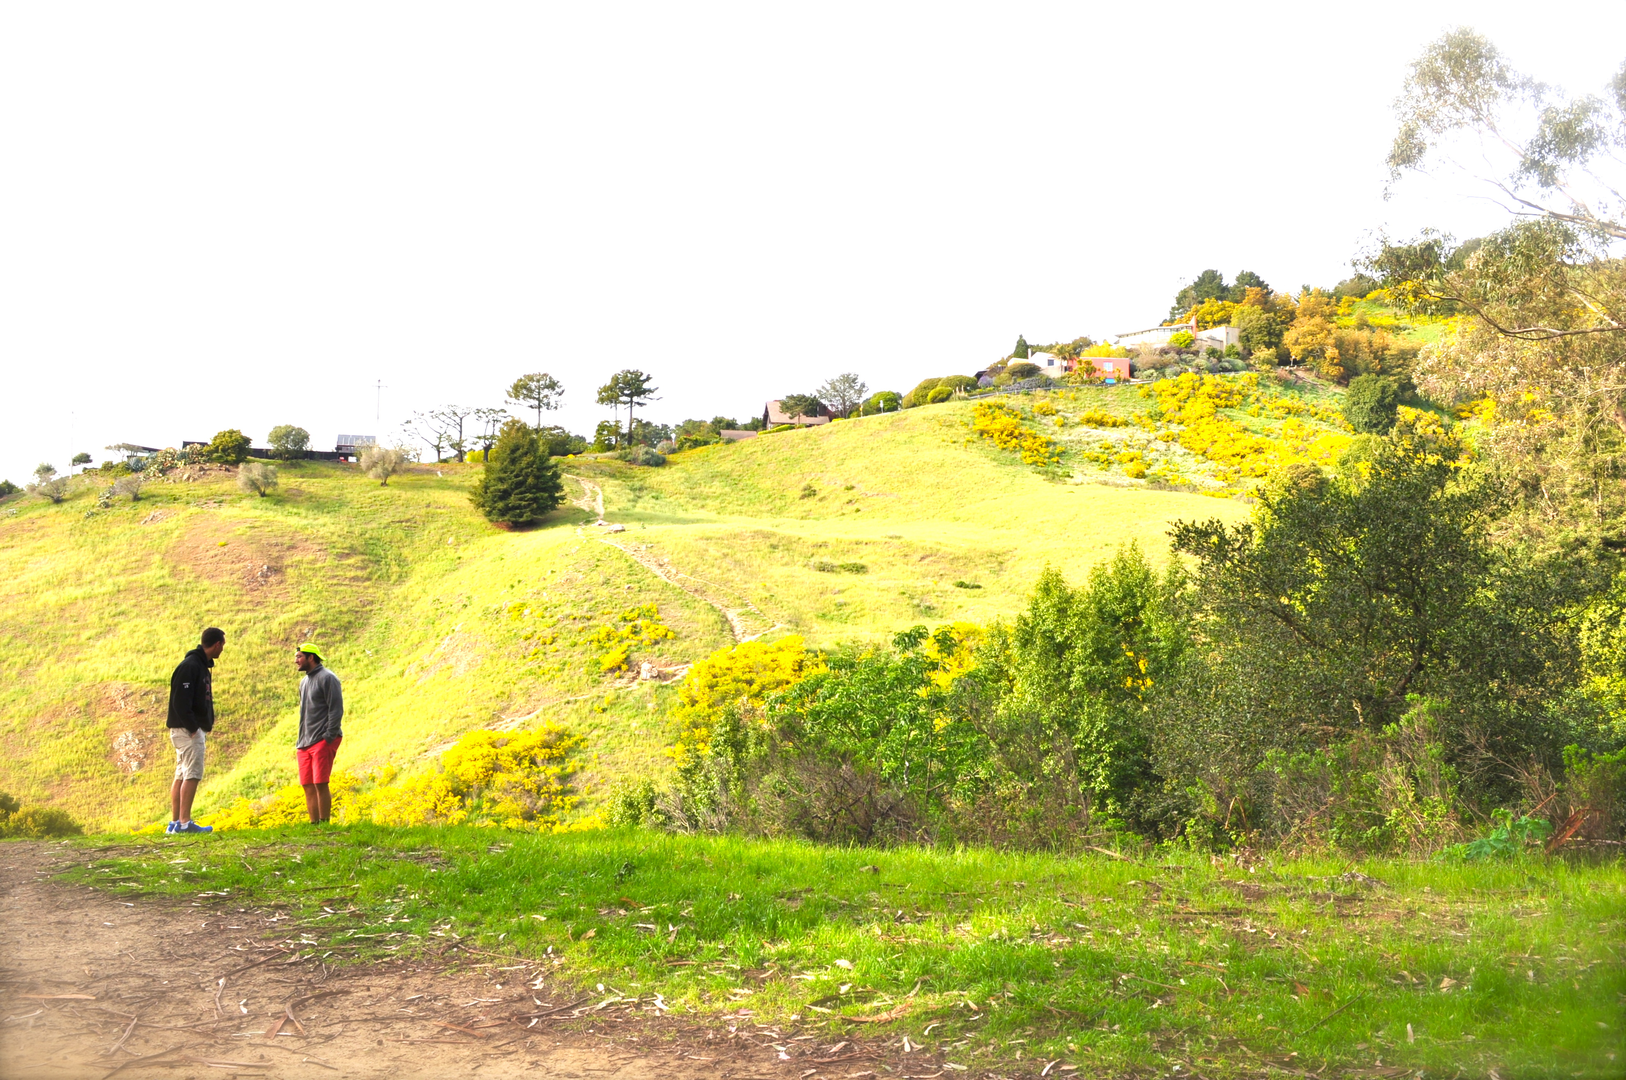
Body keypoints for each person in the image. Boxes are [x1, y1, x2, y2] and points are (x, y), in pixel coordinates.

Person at [166, 627, 224, 834]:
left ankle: (175, 823)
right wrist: (193, 728)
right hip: (187, 730)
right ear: (217, 644)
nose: (222, 650)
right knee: (192, 774)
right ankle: (184, 823)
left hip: (185, 729)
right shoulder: (191, 666)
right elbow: (180, 701)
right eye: (222, 646)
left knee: (181, 773)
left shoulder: (199, 666)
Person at [294, 642, 344, 824]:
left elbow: (336, 709)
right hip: (304, 743)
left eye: (299, 657)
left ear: (311, 657)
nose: (296, 661)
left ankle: (325, 823)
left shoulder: (328, 678)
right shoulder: (304, 682)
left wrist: (328, 737)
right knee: (307, 784)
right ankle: (314, 826)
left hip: (322, 740)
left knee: (320, 783)